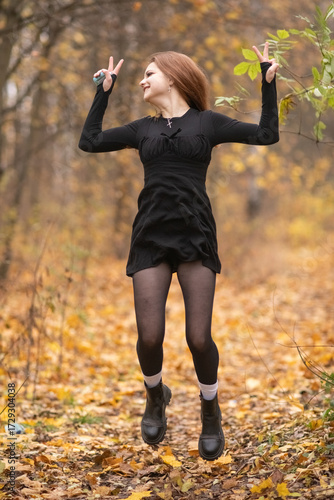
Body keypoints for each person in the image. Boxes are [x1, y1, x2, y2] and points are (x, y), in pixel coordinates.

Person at [78, 42, 279, 461]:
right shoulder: (142, 129)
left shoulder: (208, 123)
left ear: (172, 75)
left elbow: (266, 134)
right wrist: (104, 92)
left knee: (198, 337)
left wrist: (267, 84)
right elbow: (90, 141)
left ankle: (210, 408)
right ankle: (156, 396)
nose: (142, 80)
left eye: (148, 73)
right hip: (151, 234)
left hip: (195, 236)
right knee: (150, 337)